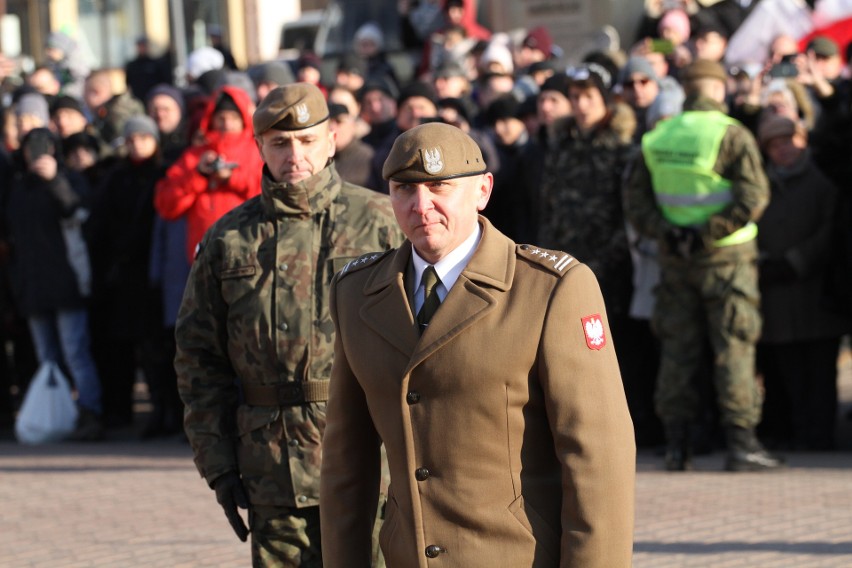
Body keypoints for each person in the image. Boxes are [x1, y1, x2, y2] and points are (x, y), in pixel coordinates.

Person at [320, 122, 636, 567]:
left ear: (482, 191)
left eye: (439, 187)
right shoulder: (357, 293)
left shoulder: (548, 289)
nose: (421, 205)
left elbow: (598, 458)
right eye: (404, 189)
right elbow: (345, 464)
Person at [175, 83, 404, 566]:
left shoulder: (382, 222)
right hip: (269, 468)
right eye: (279, 142)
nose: (294, 154)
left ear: (332, 138)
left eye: (306, 139)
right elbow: (199, 358)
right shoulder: (229, 238)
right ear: (259, 147)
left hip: (369, 458)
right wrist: (217, 463)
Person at [625, 59, 784, 472]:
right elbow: (754, 197)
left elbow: (636, 202)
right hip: (726, 259)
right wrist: (709, 231)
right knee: (733, 345)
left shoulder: (658, 137)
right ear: (716, 90)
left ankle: (678, 447)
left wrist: (669, 232)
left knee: (677, 351)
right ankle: (741, 443)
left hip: (675, 260)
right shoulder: (730, 133)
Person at [754, 115, 849, 450]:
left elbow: (831, 232)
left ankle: (819, 435)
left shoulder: (822, 184)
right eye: (776, 144)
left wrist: (796, 261)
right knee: (784, 373)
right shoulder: (760, 186)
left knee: (819, 374)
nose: (784, 150)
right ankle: (791, 432)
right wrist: (762, 260)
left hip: (816, 296)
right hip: (775, 299)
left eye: (790, 142)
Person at [154, 85, 263, 263]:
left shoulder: (257, 152)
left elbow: (270, 192)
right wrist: (198, 175)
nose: (227, 124)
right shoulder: (194, 156)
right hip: (205, 259)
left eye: (233, 118)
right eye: (221, 118)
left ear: (243, 119)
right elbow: (166, 204)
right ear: (211, 119)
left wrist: (232, 178)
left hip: (251, 255)